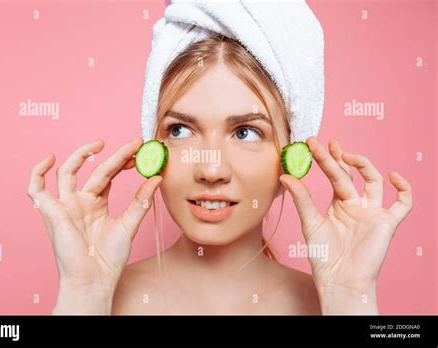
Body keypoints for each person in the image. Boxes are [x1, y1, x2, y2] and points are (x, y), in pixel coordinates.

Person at [26, 9, 413, 316]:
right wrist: (82, 295)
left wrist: (352, 299)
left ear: (290, 156)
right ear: (153, 149)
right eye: (180, 130)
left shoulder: (332, 305)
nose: (211, 170)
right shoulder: (99, 300)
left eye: (246, 132)